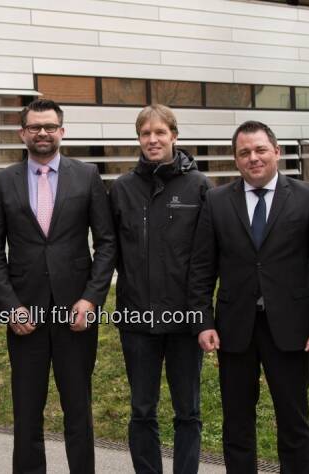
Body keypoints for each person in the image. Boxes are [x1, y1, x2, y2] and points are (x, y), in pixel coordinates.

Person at [190, 121, 309, 474]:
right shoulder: (216, 201)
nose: (253, 158)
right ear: (236, 159)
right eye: (244, 152)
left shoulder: (307, 197)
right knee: (237, 424)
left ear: (277, 152)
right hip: (234, 329)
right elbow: (201, 269)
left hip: (292, 329)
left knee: (293, 422)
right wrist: (203, 321)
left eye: (260, 150)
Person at [0, 98, 116, 474]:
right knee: (26, 412)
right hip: (25, 315)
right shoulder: (3, 180)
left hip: (76, 312)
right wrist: (9, 306)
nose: (43, 133)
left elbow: (106, 243)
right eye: (35, 127)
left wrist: (91, 299)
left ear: (62, 131)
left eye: (50, 126)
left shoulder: (87, 175)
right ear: (22, 133)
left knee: (78, 411)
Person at [108, 105, 212, 474]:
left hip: (184, 320)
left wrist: (203, 316)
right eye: (145, 134)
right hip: (137, 320)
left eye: (160, 133)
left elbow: (207, 255)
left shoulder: (198, 186)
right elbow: (109, 250)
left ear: (174, 136)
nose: (152, 140)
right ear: (138, 139)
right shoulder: (121, 189)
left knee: (188, 411)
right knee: (141, 410)